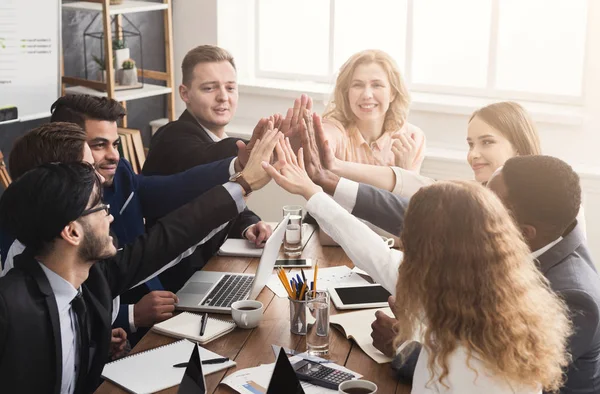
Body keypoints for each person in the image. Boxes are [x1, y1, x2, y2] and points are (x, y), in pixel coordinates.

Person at [262, 137, 571, 393]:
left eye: (408, 240)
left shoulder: (470, 358)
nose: (402, 247)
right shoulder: (489, 287)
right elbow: (376, 255)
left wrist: (406, 344)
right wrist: (311, 192)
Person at [0, 126, 282, 393]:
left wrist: (91, 339)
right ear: (71, 231)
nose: (108, 213)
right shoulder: (11, 306)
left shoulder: (89, 275)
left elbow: (164, 241)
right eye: (99, 206)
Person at [46, 94, 271, 342]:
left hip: (157, 301)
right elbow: (57, 308)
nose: (114, 156)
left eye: (116, 144)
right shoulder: (53, 213)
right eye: (99, 145)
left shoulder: (119, 171)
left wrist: (236, 166)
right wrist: (127, 315)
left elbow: (173, 188)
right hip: (122, 323)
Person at [142, 45, 270, 292]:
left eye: (230, 87)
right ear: (185, 93)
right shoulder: (173, 137)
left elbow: (219, 200)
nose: (223, 97)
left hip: (209, 271)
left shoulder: (213, 138)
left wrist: (249, 226)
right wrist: (248, 148)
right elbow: (206, 162)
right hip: (175, 285)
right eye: (209, 88)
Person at [322, 49, 426, 172]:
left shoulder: (412, 138)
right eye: (358, 85)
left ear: (392, 93)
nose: (367, 95)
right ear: (346, 93)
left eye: (377, 85)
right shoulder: (334, 131)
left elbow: (411, 191)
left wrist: (405, 170)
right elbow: (324, 138)